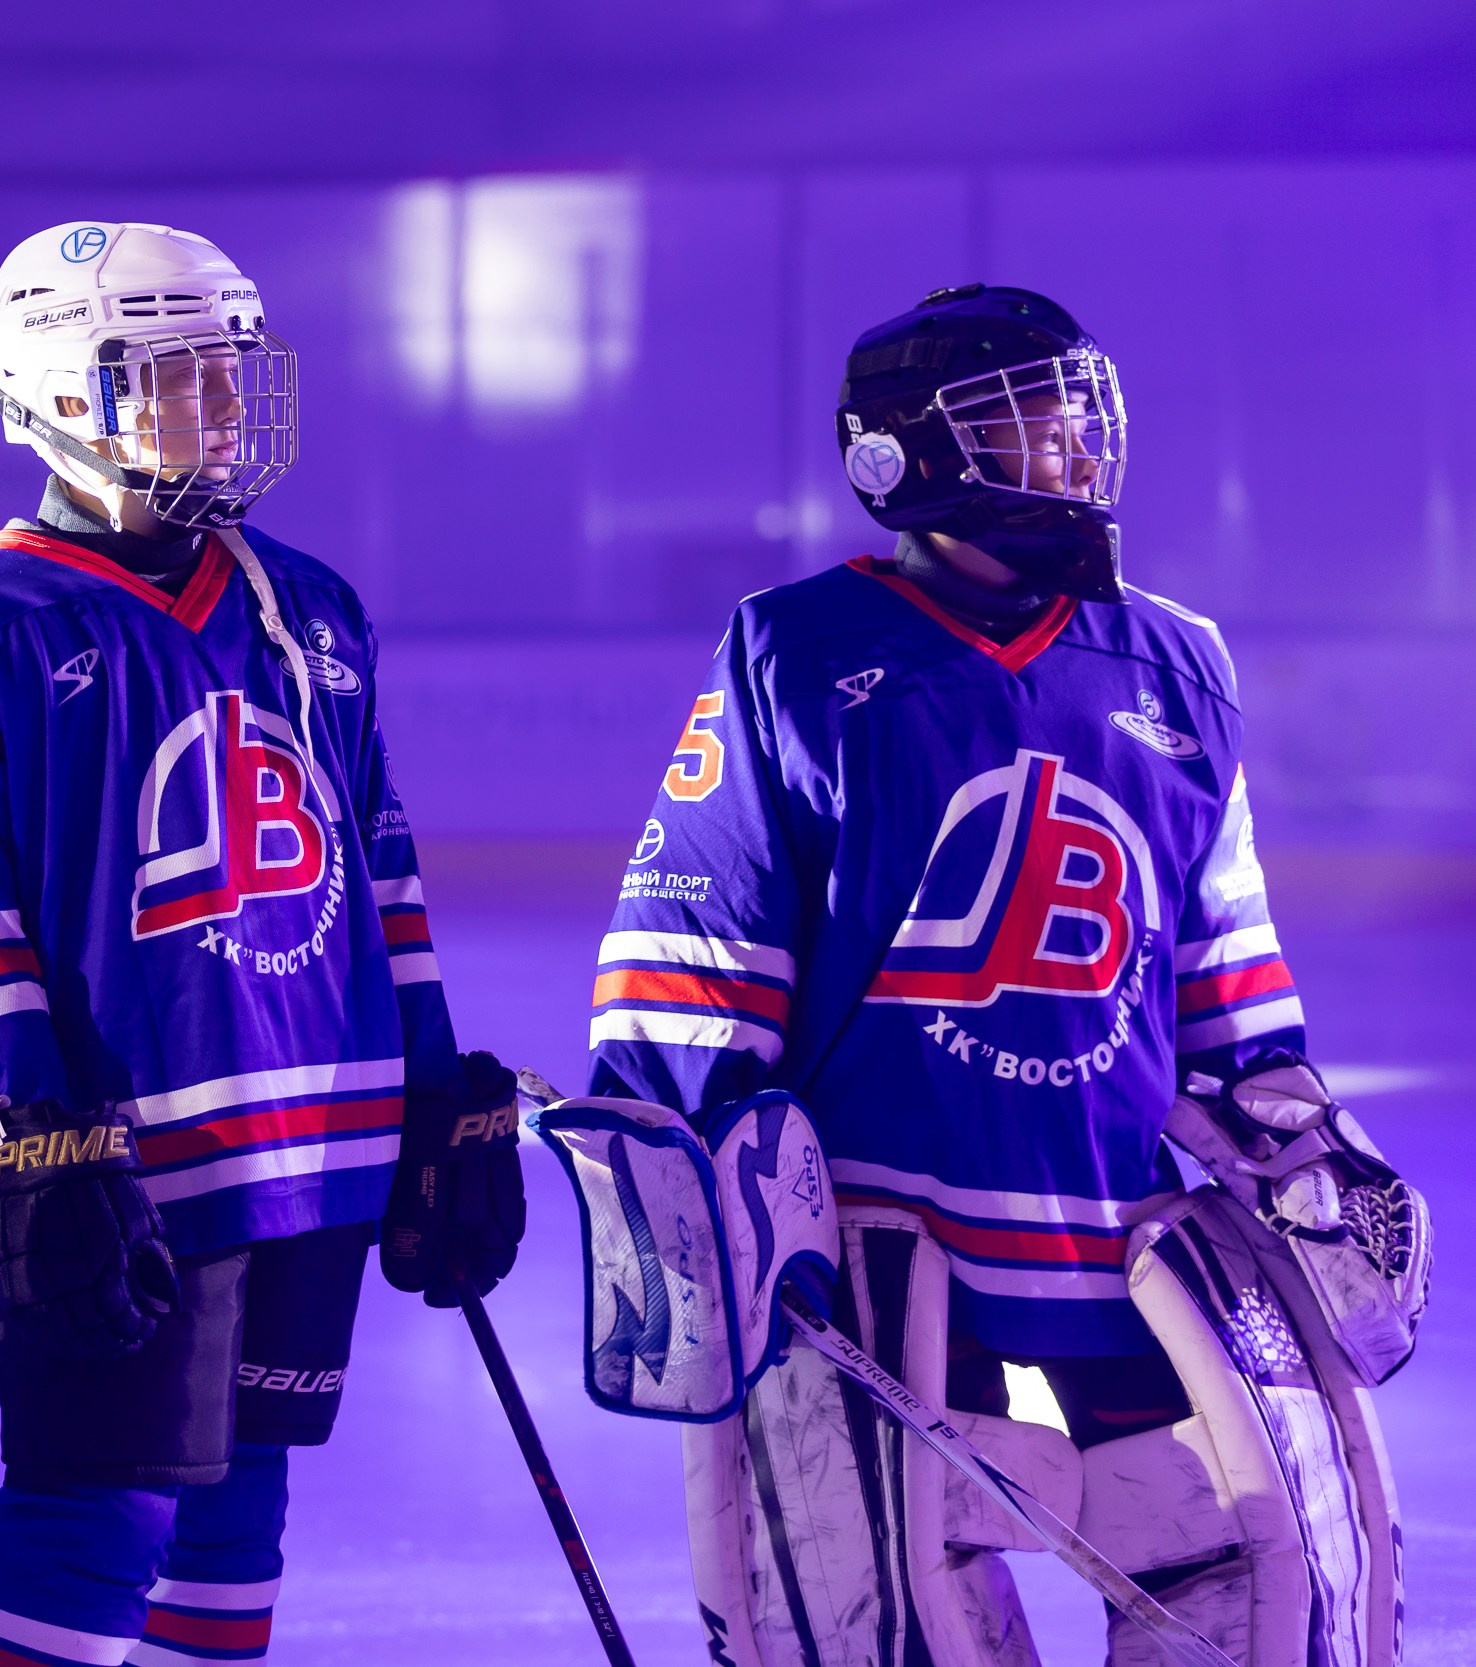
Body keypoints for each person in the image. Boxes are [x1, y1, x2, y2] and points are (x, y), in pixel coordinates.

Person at [586, 285, 1416, 1665]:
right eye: (1030, 425)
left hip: (1125, 1240)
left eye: (1083, 417)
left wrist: (1295, 1146)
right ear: (901, 457)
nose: (1077, 452)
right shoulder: (795, 652)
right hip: (890, 1247)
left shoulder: (1178, 664)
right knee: (890, 1616)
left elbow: (1227, 978)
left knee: (1268, 1596)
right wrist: (700, 1185)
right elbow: (692, 951)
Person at [0, 220, 525, 1666]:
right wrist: (26, 1111)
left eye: (229, 367)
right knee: (93, 1514)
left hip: (314, 1149)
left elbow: (381, 872)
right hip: (115, 1164)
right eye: (172, 373)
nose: (220, 404)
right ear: (56, 389)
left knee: (236, 1513)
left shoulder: (313, 611)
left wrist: (436, 1093)